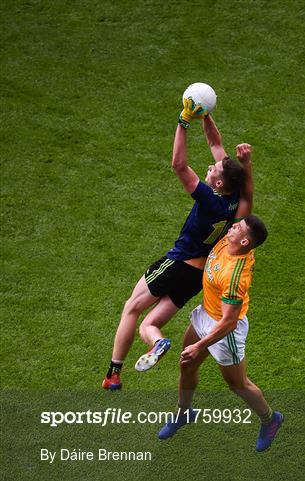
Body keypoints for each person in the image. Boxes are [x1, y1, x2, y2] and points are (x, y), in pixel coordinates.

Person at [102, 98, 254, 390]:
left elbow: (178, 164)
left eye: (213, 171)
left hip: (177, 263)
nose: (210, 166)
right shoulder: (234, 202)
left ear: (220, 184)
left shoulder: (209, 200)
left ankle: (115, 371)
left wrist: (183, 122)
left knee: (131, 308)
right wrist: (206, 115)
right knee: (149, 323)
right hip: (195, 277)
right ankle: (145, 352)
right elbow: (215, 142)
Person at [158, 215, 283, 452]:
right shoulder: (229, 240)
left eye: (237, 227)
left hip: (225, 331)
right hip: (206, 313)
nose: (232, 226)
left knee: (237, 384)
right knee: (187, 365)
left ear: (245, 242)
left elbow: (229, 323)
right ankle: (184, 413)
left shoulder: (235, 277)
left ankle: (270, 419)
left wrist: (199, 346)